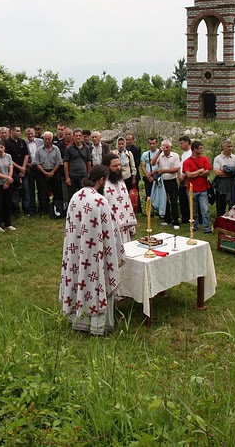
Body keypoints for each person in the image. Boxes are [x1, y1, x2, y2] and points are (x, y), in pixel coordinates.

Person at [59, 165, 126, 336]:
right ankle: (97, 324)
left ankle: (78, 320)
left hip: (77, 251)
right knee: (96, 282)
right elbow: (112, 230)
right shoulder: (100, 201)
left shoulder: (75, 197)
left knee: (79, 279)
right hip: (96, 253)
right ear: (102, 180)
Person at [101, 153, 138, 242]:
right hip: (110, 226)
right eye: (115, 166)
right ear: (106, 167)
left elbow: (127, 202)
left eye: (119, 165)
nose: (118, 168)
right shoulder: (102, 184)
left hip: (125, 225)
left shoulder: (121, 181)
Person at [183, 140, 213, 233]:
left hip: (203, 189)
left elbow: (208, 171)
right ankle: (194, 226)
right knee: (193, 210)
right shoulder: (187, 162)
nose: (202, 150)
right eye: (200, 148)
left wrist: (195, 174)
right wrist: (200, 171)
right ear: (195, 149)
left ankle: (207, 227)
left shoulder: (204, 159)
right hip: (191, 189)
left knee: (205, 209)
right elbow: (188, 175)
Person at [151, 139, 182, 229]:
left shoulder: (175, 155)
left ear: (170, 147)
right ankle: (167, 219)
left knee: (173, 201)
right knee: (164, 200)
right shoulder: (160, 155)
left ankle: (175, 221)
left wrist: (164, 170)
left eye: (167, 147)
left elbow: (176, 168)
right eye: (164, 147)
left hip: (172, 180)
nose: (166, 149)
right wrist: (159, 152)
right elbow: (152, 163)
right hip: (162, 182)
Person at [33, 131, 63, 218]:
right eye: (45, 139)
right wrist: (45, 172)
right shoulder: (39, 150)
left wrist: (52, 172)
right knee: (42, 192)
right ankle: (43, 210)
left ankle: (57, 209)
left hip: (54, 171)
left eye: (48, 139)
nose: (47, 141)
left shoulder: (56, 149)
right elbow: (37, 163)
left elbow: (59, 162)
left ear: (51, 139)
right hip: (42, 172)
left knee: (57, 191)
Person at [212, 139, 235, 217]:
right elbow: (217, 173)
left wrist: (225, 170)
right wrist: (232, 171)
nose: (230, 148)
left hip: (232, 185)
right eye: (228, 146)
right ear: (223, 147)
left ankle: (232, 222)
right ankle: (220, 222)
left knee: (233, 207)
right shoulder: (217, 159)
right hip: (220, 185)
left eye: (231, 146)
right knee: (220, 207)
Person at [64, 129, 92, 200]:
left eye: (79, 135)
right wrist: (67, 177)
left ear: (82, 136)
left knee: (84, 196)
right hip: (72, 176)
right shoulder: (69, 149)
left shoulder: (87, 148)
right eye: (76, 136)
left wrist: (89, 176)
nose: (78, 137)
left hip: (83, 176)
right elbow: (66, 163)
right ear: (73, 137)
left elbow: (88, 162)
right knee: (71, 197)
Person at [140, 138, 160, 214]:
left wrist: (151, 173)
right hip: (148, 176)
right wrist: (147, 175)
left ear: (156, 143)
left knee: (158, 193)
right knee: (148, 193)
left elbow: (161, 165)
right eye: (150, 143)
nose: (152, 145)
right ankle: (149, 211)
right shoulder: (145, 154)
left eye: (153, 143)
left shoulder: (160, 153)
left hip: (157, 175)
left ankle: (159, 210)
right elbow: (143, 166)